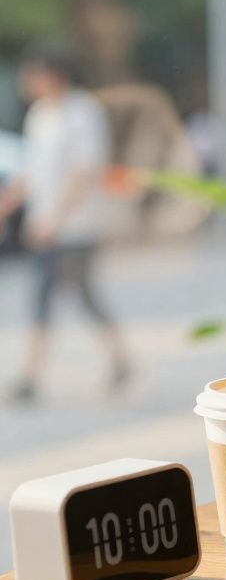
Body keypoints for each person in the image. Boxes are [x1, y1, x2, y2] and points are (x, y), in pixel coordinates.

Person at [0, 43, 130, 403]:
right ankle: (120, 359)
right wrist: (8, 204)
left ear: (51, 75)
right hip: (48, 225)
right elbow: (34, 171)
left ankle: (30, 375)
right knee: (82, 296)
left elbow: (85, 172)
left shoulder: (82, 112)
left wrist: (54, 219)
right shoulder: (41, 115)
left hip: (75, 228)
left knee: (49, 295)